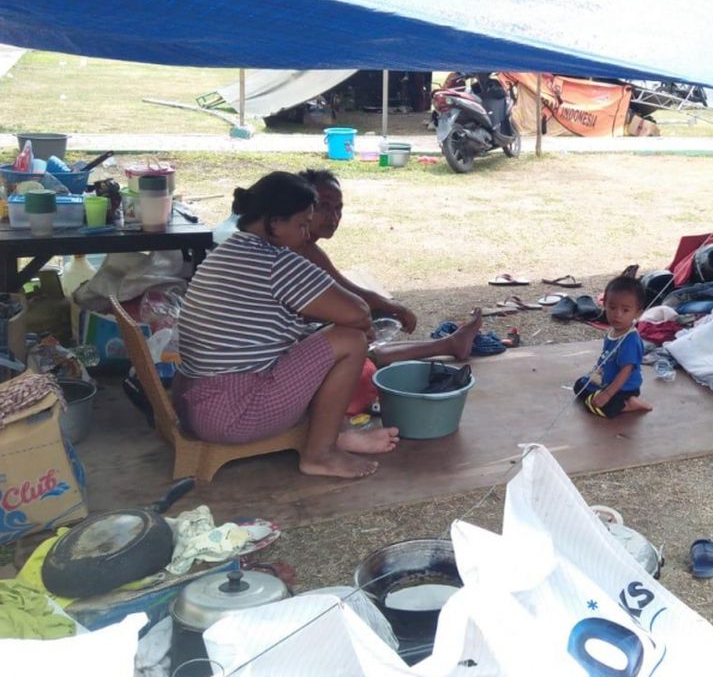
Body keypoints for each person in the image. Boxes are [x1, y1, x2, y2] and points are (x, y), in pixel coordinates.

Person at [174, 172, 396, 479]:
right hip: (235, 412)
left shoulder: (229, 249)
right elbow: (357, 312)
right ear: (275, 222)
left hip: (195, 402)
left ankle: (338, 434)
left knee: (324, 336)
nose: (307, 234)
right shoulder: (274, 260)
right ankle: (320, 454)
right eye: (302, 224)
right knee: (350, 340)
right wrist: (359, 325)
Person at [296, 168, 484, 365]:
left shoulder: (309, 248)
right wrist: (393, 309)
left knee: (364, 327)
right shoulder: (291, 249)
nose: (333, 217)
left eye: (338, 208)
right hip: (281, 361)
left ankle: (451, 343)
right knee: (357, 344)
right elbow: (345, 298)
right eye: (324, 206)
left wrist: (388, 307)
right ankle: (450, 344)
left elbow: (343, 289)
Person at [573, 276, 653, 417]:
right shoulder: (613, 331)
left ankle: (629, 404)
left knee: (607, 407)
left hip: (623, 388)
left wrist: (608, 394)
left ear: (638, 312)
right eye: (612, 307)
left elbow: (625, 371)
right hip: (605, 381)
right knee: (579, 386)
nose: (617, 315)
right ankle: (594, 399)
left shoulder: (630, 340)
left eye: (625, 310)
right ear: (604, 305)